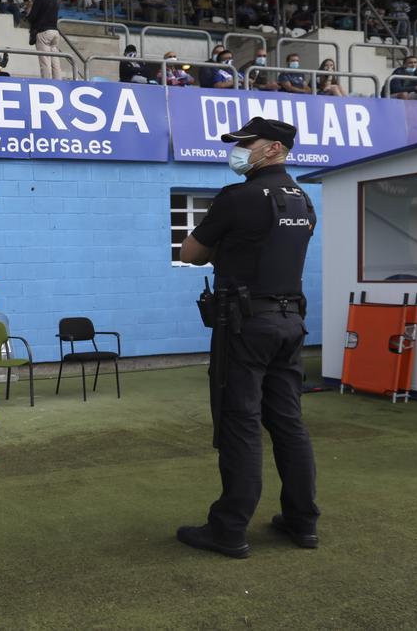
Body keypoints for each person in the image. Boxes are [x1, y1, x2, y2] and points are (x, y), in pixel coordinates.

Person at [176, 117, 320, 560]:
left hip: (245, 324)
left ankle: (229, 529)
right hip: (290, 323)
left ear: (273, 148)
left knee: (240, 423)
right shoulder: (303, 200)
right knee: (288, 423)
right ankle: (302, 522)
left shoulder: (236, 198)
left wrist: (228, 248)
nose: (238, 151)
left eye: (246, 144)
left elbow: (191, 252)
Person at [26, 0, 61, 80]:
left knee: (45, 61)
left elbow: (32, 17)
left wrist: (27, 13)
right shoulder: (54, 0)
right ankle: (58, 82)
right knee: (55, 62)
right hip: (55, 32)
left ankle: (46, 83)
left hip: (44, 33)